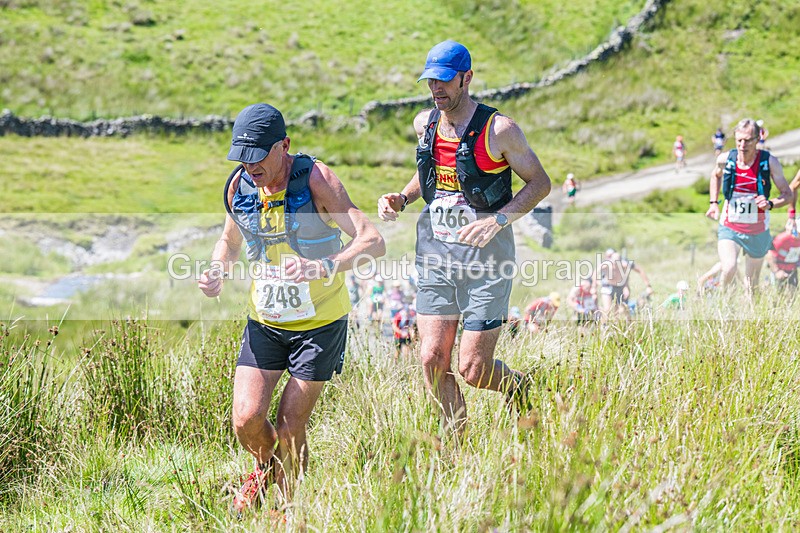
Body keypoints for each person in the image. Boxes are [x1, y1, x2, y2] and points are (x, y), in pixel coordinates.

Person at [198, 103, 385, 510]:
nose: (250, 166)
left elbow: (373, 240)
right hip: (265, 322)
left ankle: (288, 511)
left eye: (258, 155)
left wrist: (324, 265)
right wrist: (217, 271)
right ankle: (266, 469)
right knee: (246, 419)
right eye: (242, 157)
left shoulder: (316, 179)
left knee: (289, 424)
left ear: (283, 145)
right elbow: (229, 242)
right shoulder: (239, 186)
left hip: (319, 325)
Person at [377, 40, 552, 432]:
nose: (436, 88)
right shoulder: (425, 124)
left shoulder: (499, 130)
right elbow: (433, 175)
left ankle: (518, 386)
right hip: (436, 256)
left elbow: (540, 183)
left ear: (466, 77)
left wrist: (499, 220)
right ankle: (457, 446)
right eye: (430, 81)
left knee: (473, 368)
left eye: (444, 80)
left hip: (487, 261)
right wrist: (402, 198)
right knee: (431, 360)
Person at [705, 118, 795, 294]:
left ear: (757, 139)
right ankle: (724, 302)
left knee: (751, 283)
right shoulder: (726, 159)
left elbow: (787, 194)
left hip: (757, 230)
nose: (742, 145)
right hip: (730, 226)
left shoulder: (769, 162)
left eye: (747, 140)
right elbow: (715, 175)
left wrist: (770, 204)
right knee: (729, 267)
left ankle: (750, 309)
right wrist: (713, 203)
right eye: (739, 140)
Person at [597, 249, 653, 322]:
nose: (608, 257)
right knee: (608, 309)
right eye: (607, 256)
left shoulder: (625, 263)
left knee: (623, 309)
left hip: (621, 288)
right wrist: (594, 285)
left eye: (610, 255)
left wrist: (648, 286)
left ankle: (628, 324)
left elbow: (639, 270)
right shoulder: (605, 264)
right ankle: (607, 325)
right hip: (608, 288)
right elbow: (595, 273)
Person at [765, 219, 800, 290]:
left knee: (793, 293)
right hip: (779, 269)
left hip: (792, 270)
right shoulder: (782, 238)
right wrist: (777, 271)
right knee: (776, 292)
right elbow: (770, 254)